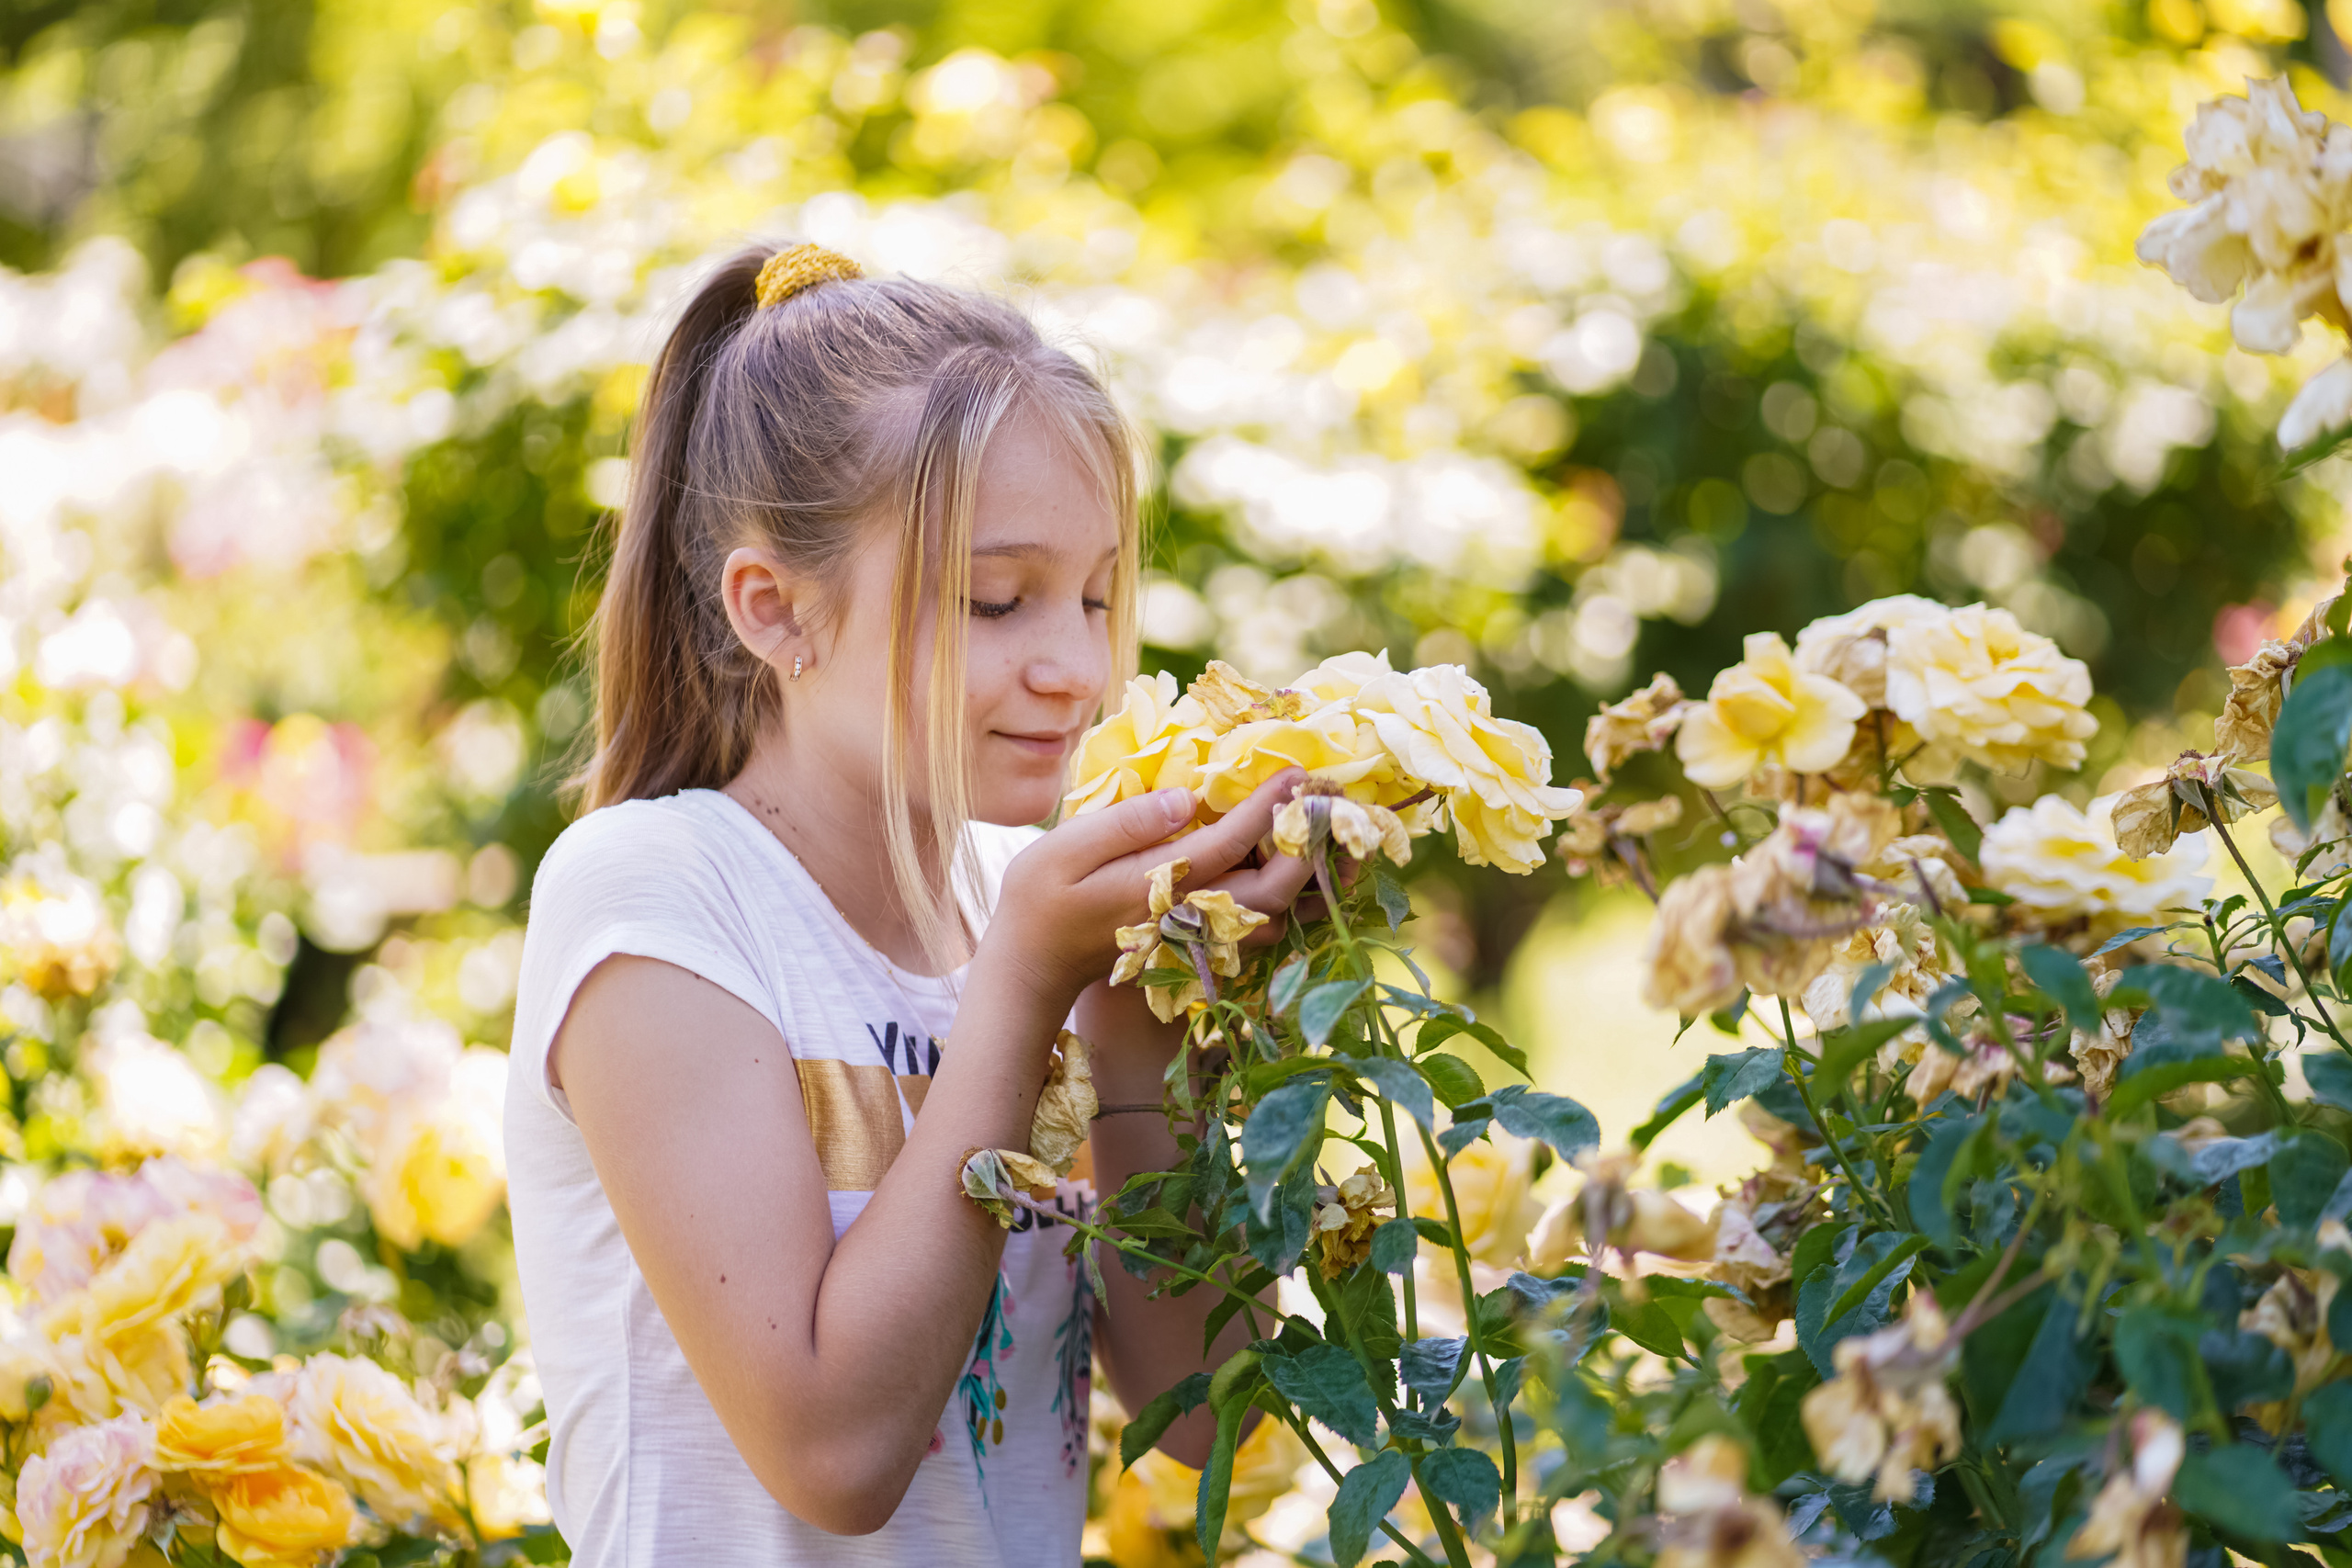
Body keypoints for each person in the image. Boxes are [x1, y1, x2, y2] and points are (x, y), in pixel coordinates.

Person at [503, 241, 1309, 1565]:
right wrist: (1027, 986)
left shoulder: (1020, 903)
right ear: (776, 611)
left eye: (1099, 596)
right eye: (996, 601)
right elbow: (834, 1455)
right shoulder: (656, 897)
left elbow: (1203, 1418)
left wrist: (1137, 1030)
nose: (1078, 669)